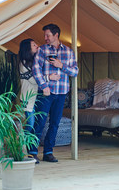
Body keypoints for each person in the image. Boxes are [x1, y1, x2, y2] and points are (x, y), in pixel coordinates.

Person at [29, 23, 78, 163]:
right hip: (45, 93)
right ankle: (32, 153)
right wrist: (44, 85)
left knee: (55, 123)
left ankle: (48, 152)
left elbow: (75, 72)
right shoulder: (42, 50)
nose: (45, 38)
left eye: (48, 35)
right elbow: (36, 69)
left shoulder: (69, 52)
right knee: (40, 122)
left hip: (62, 92)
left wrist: (61, 65)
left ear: (56, 35)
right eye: (45, 35)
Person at [18, 38, 60, 164]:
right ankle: (24, 151)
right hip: (28, 100)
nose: (37, 46)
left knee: (36, 125)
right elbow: (34, 79)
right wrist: (49, 77)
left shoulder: (34, 61)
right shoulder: (23, 63)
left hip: (37, 99)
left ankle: (31, 152)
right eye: (34, 45)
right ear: (27, 48)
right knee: (29, 126)